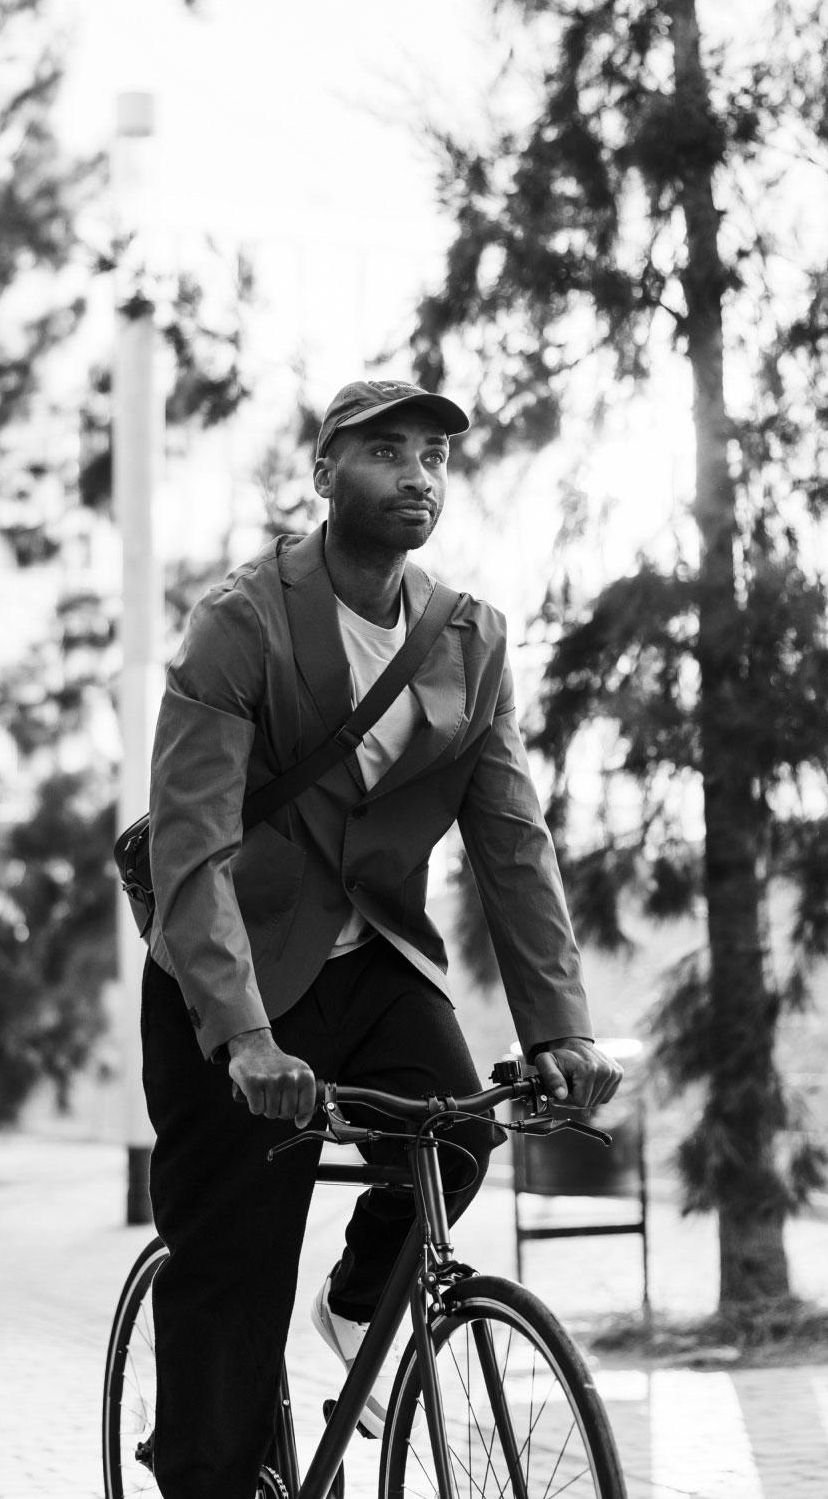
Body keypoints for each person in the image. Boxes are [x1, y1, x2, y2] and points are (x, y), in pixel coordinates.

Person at [140, 377, 623, 1499]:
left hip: (377, 964)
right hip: (235, 978)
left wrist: (561, 1032)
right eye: (386, 452)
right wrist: (247, 1039)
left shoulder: (471, 639)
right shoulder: (243, 621)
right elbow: (192, 848)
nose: (418, 475)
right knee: (231, 1279)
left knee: (460, 1132)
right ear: (324, 476)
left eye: (437, 458)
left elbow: (514, 847)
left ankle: (359, 1300)